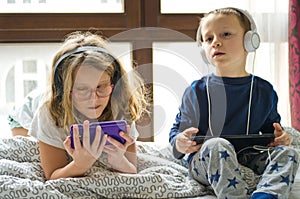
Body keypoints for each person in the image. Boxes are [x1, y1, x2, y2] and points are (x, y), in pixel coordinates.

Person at [169, 7, 299, 199]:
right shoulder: (196, 91)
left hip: (249, 156)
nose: (216, 42)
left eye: (226, 34)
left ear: (250, 41)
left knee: (289, 153)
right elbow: (176, 135)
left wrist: (279, 138)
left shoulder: (264, 90)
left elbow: (271, 131)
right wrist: (180, 144)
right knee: (217, 145)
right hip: (207, 160)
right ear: (203, 49)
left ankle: (266, 195)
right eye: (208, 39)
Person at [29, 31, 149, 180]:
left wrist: (119, 161)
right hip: (27, 110)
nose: (94, 98)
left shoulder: (121, 104)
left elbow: (131, 170)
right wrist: (80, 165)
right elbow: (52, 175)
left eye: (101, 86)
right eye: (82, 89)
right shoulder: (49, 111)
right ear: (65, 91)